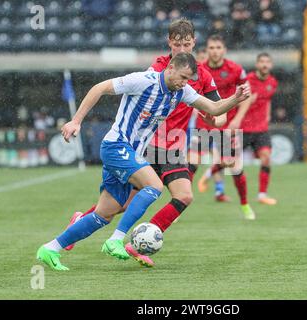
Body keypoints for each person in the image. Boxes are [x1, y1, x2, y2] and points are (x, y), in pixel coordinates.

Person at [36, 52, 250, 271]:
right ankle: (116, 240)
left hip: (131, 152)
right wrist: (76, 121)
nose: (185, 83)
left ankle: (51, 248)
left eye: (188, 80)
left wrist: (235, 98)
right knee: (154, 185)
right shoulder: (143, 81)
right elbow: (99, 88)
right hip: (116, 145)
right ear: (170, 69)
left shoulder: (182, 91)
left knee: (104, 214)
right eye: (183, 77)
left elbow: (213, 108)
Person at [63, 18, 226, 266]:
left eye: (187, 44)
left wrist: (215, 119)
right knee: (121, 205)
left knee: (184, 196)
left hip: (173, 147)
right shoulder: (160, 68)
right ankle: (83, 220)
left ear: (194, 43)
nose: (182, 49)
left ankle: (137, 243)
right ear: (169, 43)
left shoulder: (201, 74)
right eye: (177, 44)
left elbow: (219, 113)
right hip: (148, 145)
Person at [193, 35, 256, 222]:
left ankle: (245, 205)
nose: (214, 50)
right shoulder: (199, 69)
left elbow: (247, 94)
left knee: (234, 167)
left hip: (226, 126)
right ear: (207, 49)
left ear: (224, 49)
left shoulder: (235, 70)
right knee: (189, 165)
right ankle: (178, 205)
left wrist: (237, 119)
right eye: (211, 47)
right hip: (203, 124)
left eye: (218, 47)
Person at [240, 52, 278, 205]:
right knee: (227, 161)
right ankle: (208, 176)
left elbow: (267, 100)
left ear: (271, 65)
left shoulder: (272, 82)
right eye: (261, 61)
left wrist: (267, 115)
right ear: (257, 64)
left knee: (266, 158)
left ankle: (262, 195)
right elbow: (236, 101)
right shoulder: (247, 81)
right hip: (244, 128)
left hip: (261, 129)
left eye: (267, 62)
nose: (264, 64)